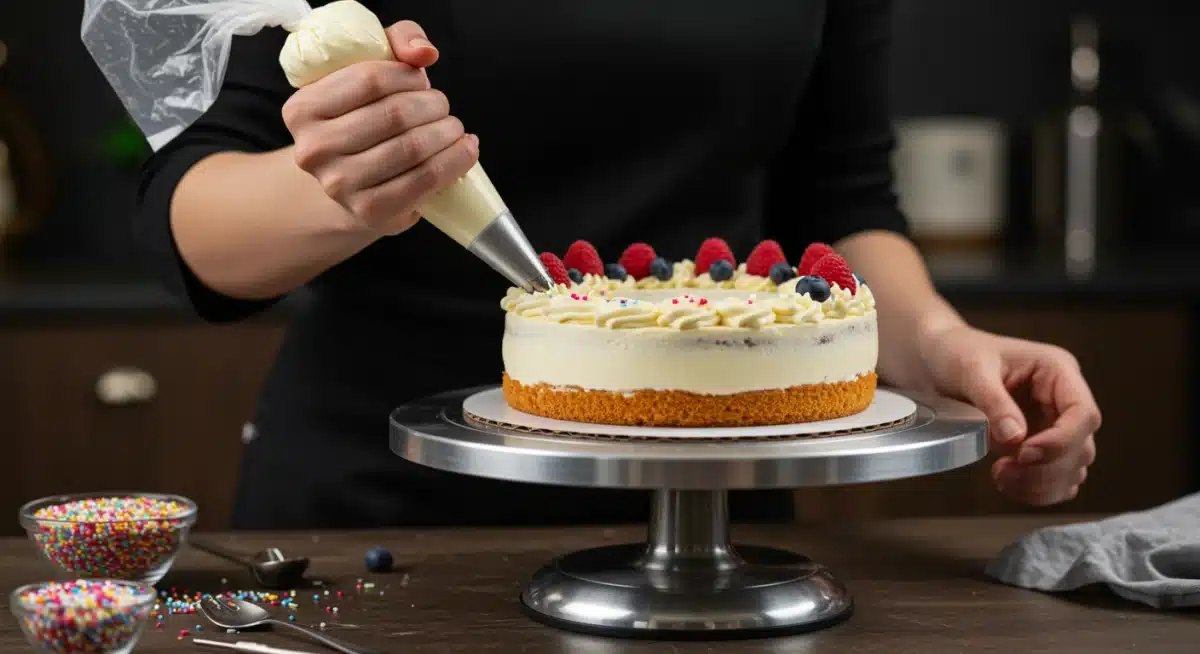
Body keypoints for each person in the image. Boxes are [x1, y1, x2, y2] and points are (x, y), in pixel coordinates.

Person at [135, 0, 1101, 529]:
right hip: (392, 518)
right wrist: (341, 186)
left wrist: (938, 341)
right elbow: (189, 222)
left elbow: (841, 199)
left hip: (721, 526)